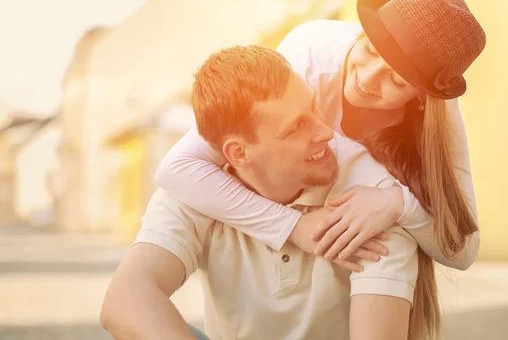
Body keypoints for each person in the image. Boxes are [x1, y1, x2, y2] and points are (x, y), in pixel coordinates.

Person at [156, 0, 486, 337]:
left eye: (396, 79)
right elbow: (178, 168)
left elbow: (463, 249)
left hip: (370, 240)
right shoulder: (310, 56)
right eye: (371, 51)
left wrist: (397, 203)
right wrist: (293, 228)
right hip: (293, 227)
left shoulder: (437, 123)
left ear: (421, 97)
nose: (368, 80)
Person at [101, 45, 421, 339]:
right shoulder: (194, 193)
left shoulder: (368, 205)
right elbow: (124, 301)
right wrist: (291, 227)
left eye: (313, 108)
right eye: (296, 127)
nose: (325, 132)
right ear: (239, 154)